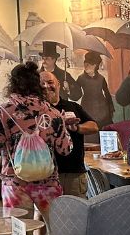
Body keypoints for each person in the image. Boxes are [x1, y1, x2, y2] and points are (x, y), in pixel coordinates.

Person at [0, 62, 72, 235]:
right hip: (48, 183)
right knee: (57, 234)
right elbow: (65, 149)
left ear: (13, 84)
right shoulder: (53, 113)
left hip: (15, 184)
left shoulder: (3, 112)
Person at [40, 69, 98, 198]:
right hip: (45, 174)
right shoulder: (36, 111)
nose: (46, 86)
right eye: (42, 84)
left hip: (74, 173)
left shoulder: (73, 107)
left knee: (76, 209)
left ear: (58, 84)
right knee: (49, 211)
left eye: (50, 82)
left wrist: (76, 128)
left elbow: (94, 126)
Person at [70, 50, 114, 129]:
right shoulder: (81, 78)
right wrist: (68, 89)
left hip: (102, 110)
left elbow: (107, 94)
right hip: (87, 108)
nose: (86, 66)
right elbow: (76, 95)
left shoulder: (101, 78)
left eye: (89, 64)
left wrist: (111, 108)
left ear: (95, 65)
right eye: (85, 64)